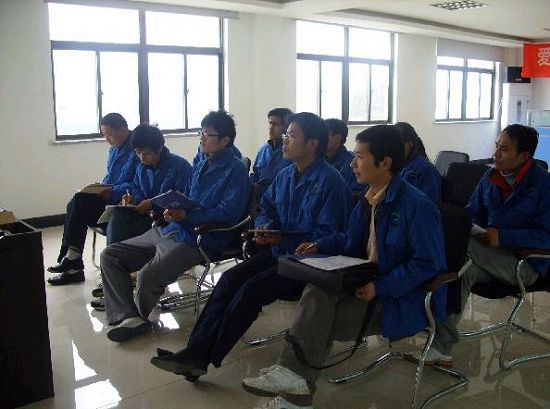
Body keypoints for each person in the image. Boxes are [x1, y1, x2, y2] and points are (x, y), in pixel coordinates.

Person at [240, 125, 447, 409]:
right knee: (316, 291)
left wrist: (380, 287)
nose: (351, 164)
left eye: (359, 157)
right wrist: (319, 245)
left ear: (384, 162)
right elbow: (349, 240)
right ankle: (293, 384)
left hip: (400, 297)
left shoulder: (417, 206)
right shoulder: (368, 199)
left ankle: (294, 394)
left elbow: (427, 264)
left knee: (315, 323)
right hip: (364, 283)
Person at [149, 112, 351, 380]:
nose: (284, 139)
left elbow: (329, 236)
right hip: (278, 253)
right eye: (285, 134)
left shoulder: (330, 181)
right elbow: (266, 207)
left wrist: (283, 239)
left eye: (291, 136)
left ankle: (202, 358)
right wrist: (266, 227)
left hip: (306, 265)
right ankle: (194, 352)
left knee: (250, 291)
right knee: (228, 281)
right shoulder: (285, 175)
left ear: (312, 144)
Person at [100, 110, 251, 342]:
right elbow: (187, 197)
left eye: (208, 134)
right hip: (172, 228)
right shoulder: (201, 162)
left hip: (200, 238)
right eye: (201, 132)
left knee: (147, 276)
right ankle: (128, 316)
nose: (202, 138)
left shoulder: (236, 170)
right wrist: (172, 208)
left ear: (225, 140)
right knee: (111, 255)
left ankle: (135, 317)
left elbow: (227, 214)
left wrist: (187, 216)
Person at [426, 124, 550, 366]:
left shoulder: (544, 185)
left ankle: (417, 303)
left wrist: (503, 237)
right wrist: (472, 226)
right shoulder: (491, 177)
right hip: (488, 253)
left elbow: (546, 236)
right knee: (461, 272)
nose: (496, 154)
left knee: (458, 246)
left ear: (524, 156)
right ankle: (441, 347)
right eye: (496, 146)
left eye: (504, 149)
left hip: (526, 263)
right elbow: (472, 212)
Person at [47, 113, 138, 286]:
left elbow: (139, 184)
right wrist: (101, 186)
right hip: (111, 197)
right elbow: (111, 177)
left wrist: (112, 191)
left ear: (123, 130)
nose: (107, 139)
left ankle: (72, 262)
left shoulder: (138, 149)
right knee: (76, 202)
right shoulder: (114, 149)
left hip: (126, 202)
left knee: (80, 202)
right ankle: (72, 261)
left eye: (109, 134)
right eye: (104, 135)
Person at [106, 124, 192, 245]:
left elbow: (182, 198)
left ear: (159, 148)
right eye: (138, 152)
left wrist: (152, 204)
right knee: (118, 214)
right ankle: (113, 252)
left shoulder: (179, 166)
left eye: (146, 153)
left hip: (166, 219)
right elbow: (137, 189)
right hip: (146, 215)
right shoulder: (141, 167)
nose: (142, 158)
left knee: (125, 230)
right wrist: (133, 199)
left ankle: (118, 253)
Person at [249, 108, 293, 201]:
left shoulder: (291, 152)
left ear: (287, 127)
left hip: (281, 200)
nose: (270, 128)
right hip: (260, 200)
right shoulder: (263, 149)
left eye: (276, 125)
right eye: (270, 123)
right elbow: (255, 175)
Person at [394, 122, 441, 203]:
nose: (394, 149)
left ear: (410, 144)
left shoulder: (425, 170)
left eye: (398, 145)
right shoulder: (396, 166)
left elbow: (427, 204)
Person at [324, 118, 364, 195]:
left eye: (324, 135)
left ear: (337, 138)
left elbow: (354, 195)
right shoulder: (316, 160)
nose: (319, 139)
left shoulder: (352, 164)